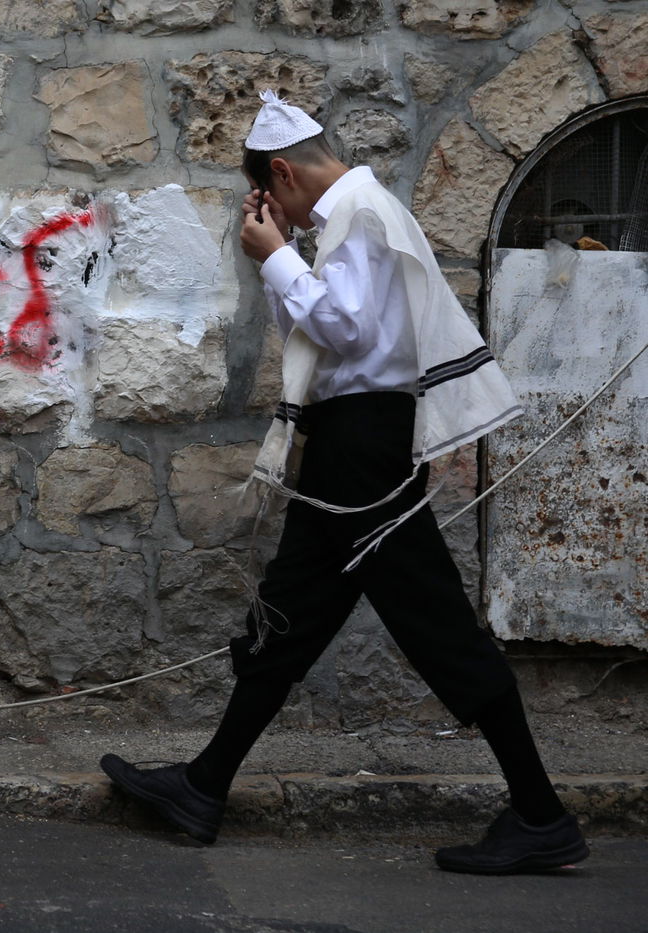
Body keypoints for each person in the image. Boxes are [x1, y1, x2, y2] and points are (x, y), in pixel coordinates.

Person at [100, 90, 589, 874]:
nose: (278, 218)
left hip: (364, 443)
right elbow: (325, 327)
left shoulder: (358, 212)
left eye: (272, 197)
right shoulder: (355, 212)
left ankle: (540, 813)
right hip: (350, 441)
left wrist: (276, 254)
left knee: (437, 625)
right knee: (290, 613)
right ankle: (203, 783)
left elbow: (342, 329)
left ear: (283, 172)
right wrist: (285, 256)